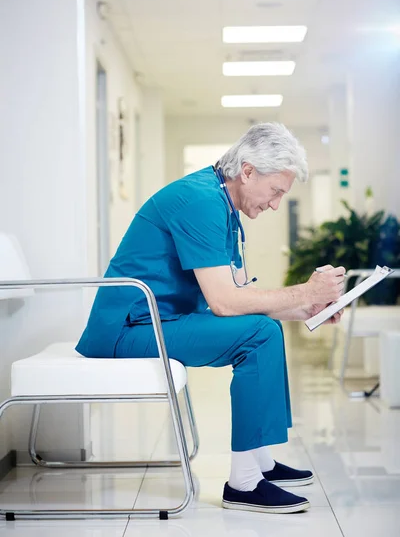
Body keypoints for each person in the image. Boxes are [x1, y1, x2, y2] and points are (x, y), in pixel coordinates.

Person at [76, 122, 345, 514]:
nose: (274, 205)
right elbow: (223, 302)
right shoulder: (199, 200)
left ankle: (260, 462)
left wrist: (307, 307)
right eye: (275, 192)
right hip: (127, 329)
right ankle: (244, 483)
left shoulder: (220, 203)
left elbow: (240, 294)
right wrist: (304, 291)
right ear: (248, 171)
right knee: (260, 334)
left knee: (266, 329)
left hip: (161, 320)